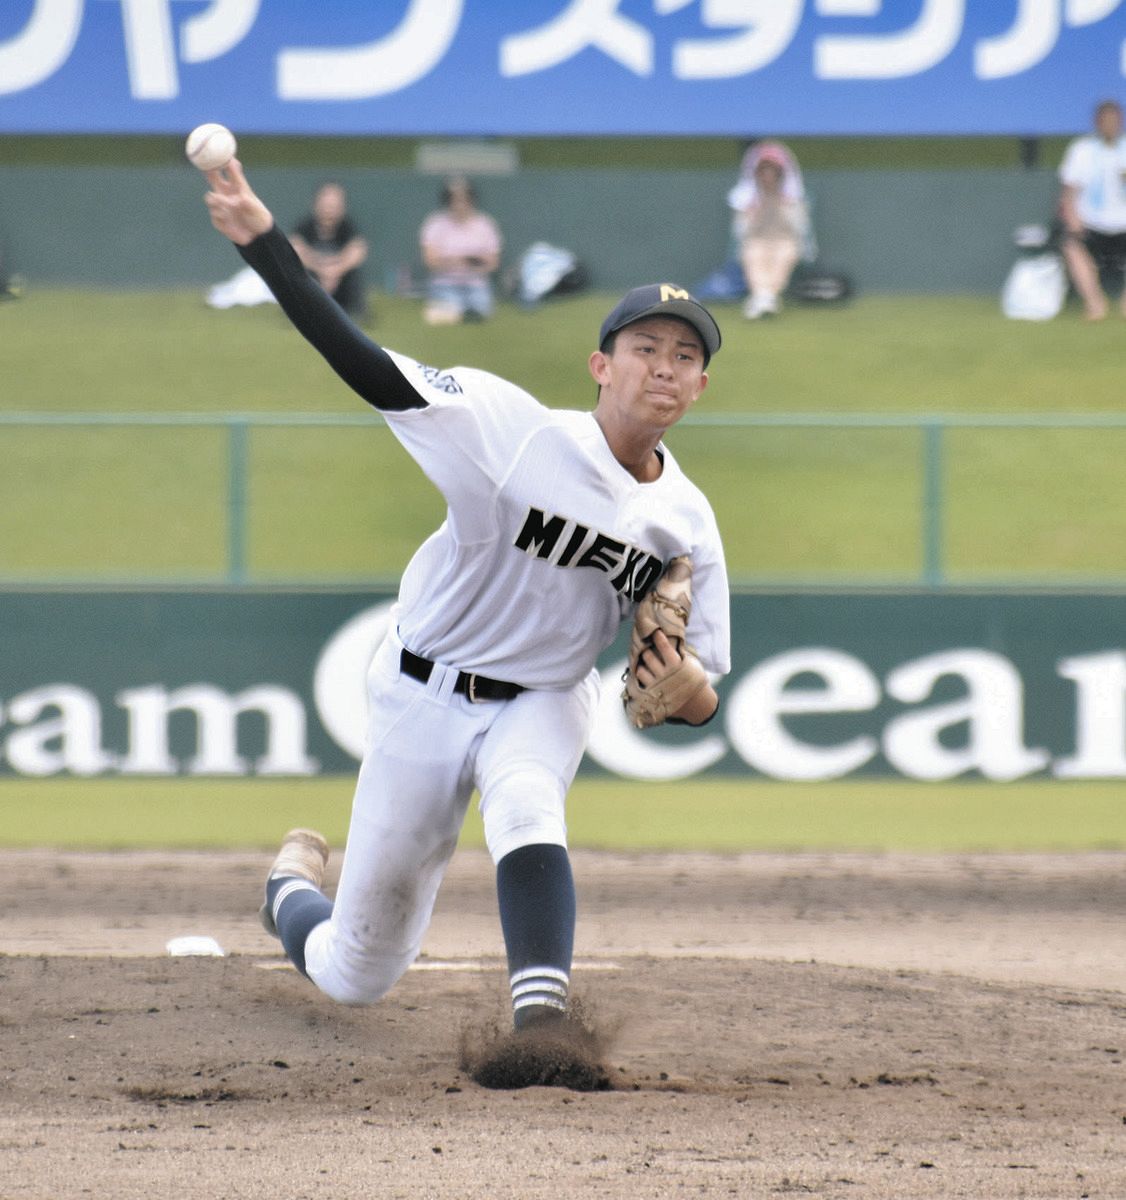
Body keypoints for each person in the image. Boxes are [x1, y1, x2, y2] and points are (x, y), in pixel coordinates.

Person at [201, 158, 730, 1049]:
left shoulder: (687, 524)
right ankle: (289, 893)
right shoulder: (508, 430)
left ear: (701, 387)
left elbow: (699, 692)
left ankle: (542, 1031)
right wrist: (264, 242)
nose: (665, 368)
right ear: (601, 365)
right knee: (354, 974)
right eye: (645, 348)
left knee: (528, 802)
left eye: (687, 356)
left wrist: (688, 692)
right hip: (421, 688)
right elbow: (362, 362)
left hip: (545, 696)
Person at [1058, 99, 1126, 320]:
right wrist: (1073, 221)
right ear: (1097, 123)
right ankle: (1094, 302)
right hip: (1092, 223)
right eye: (1106, 121)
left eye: (1115, 121)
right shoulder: (1082, 150)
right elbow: (1068, 194)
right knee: (1071, 245)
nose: (1111, 125)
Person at [728, 141, 810, 320]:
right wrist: (752, 213)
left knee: (784, 254)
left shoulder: (791, 199)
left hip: (784, 241)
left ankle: (764, 300)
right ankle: (764, 299)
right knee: (753, 254)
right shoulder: (749, 199)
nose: (767, 176)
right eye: (763, 171)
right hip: (757, 241)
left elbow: (800, 228)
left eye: (772, 171)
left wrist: (785, 207)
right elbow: (740, 231)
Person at [419, 175, 502, 324]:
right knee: (452, 305)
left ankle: (454, 315)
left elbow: (493, 263)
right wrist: (457, 261)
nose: (459, 204)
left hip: (475, 283)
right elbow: (430, 261)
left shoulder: (485, 225)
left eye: (464, 199)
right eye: (454, 199)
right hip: (444, 283)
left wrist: (471, 262)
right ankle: (458, 314)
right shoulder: (435, 224)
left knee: (482, 309)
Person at [291, 182, 370, 320]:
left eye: (334, 205)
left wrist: (335, 272)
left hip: (339, 280)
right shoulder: (305, 225)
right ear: (316, 204)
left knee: (354, 276)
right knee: (299, 275)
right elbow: (296, 250)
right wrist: (322, 271)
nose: (329, 209)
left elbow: (358, 251)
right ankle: (299, 314)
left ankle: (357, 314)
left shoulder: (348, 226)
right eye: (326, 205)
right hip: (314, 278)